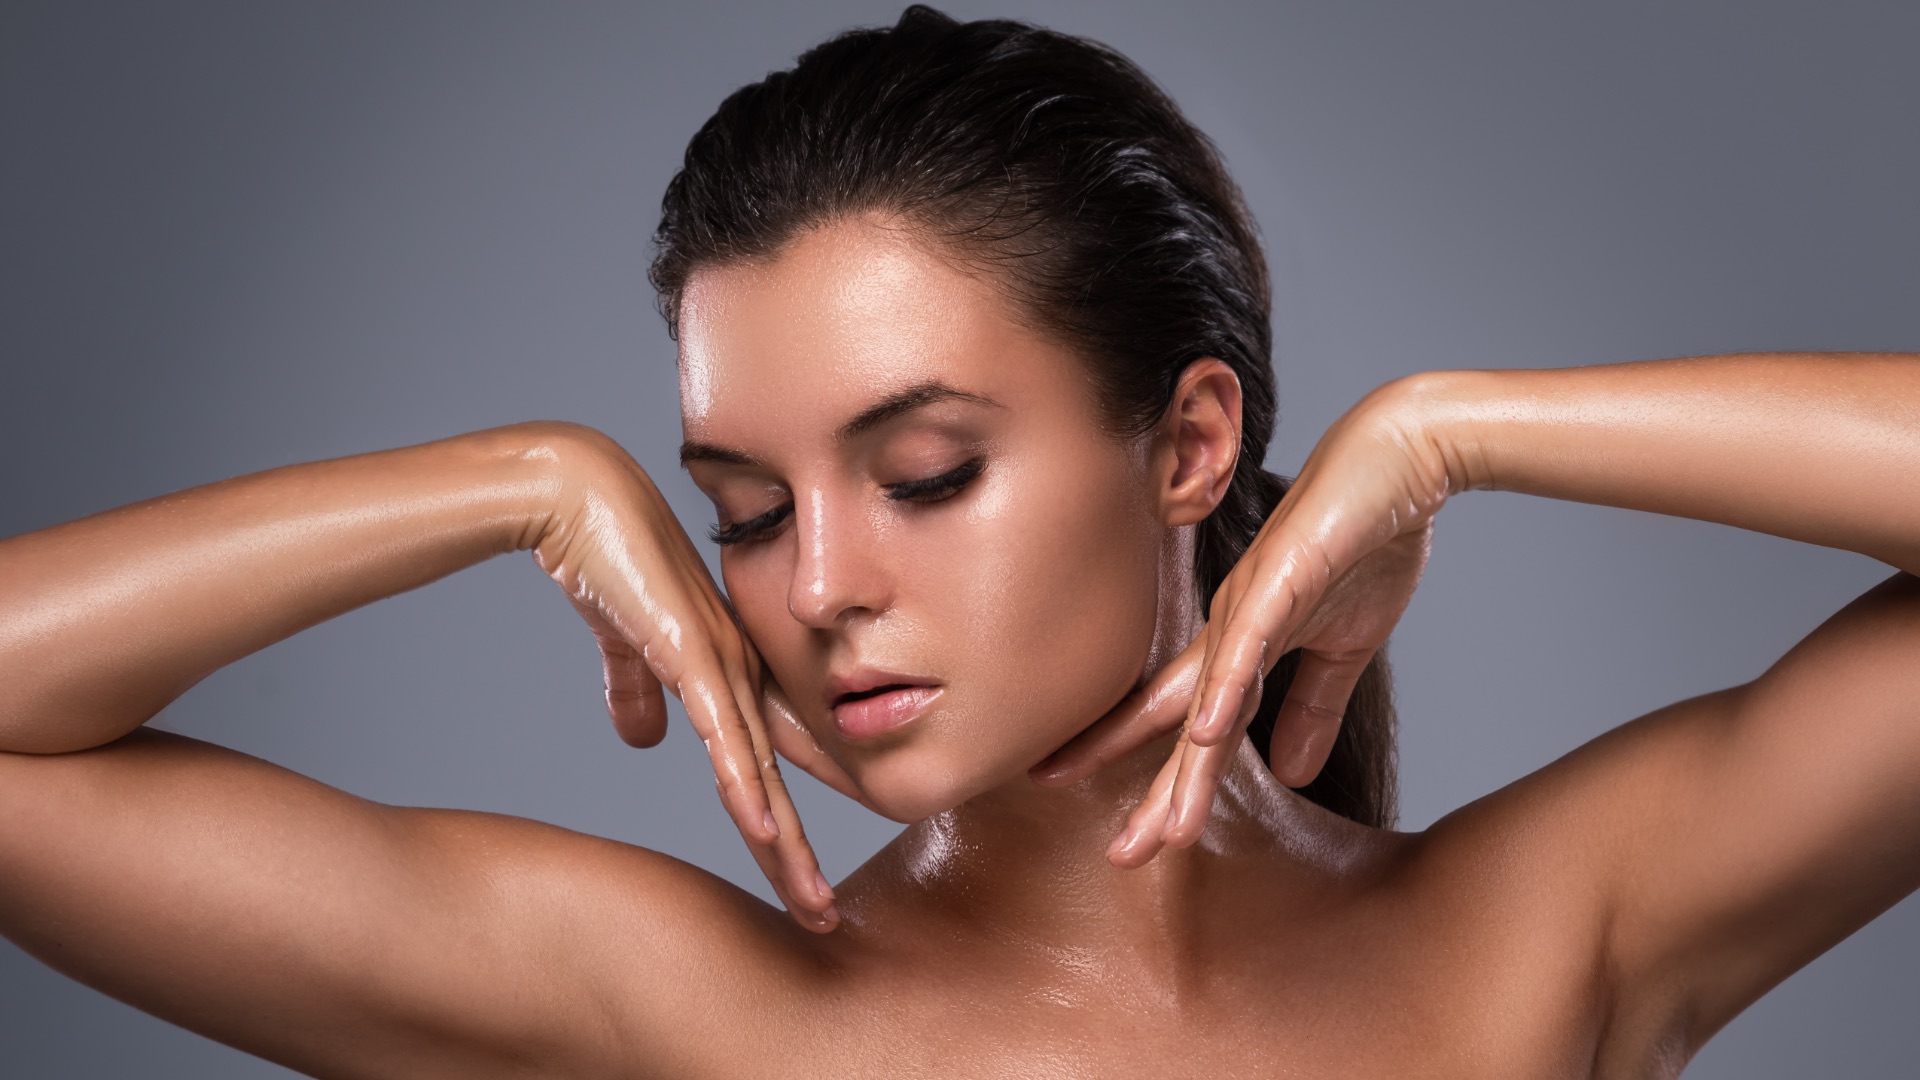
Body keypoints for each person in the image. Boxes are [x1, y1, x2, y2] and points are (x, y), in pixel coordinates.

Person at [3, 6, 1917, 1076]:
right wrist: (515, 480)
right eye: (744, 511)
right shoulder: (680, 1016)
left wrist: (1460, 434)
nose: (816, 582)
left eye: (921, 473)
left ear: (1191, 442)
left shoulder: (1545, 931)